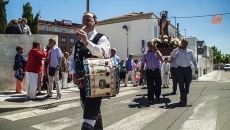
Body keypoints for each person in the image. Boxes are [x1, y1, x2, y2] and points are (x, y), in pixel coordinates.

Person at [69, 12, 110, 130]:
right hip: (83, 82)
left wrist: (87, 42)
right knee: (91, 109)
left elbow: (103, 54)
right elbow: (72, 60)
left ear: (95, 23)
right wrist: (74, 72)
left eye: (89, 20)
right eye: (83, 20)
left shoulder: (101, 38)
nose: (85, 22)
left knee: (89, 112)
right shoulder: (77, 43)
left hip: (99, 80)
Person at [170, 39, 198, 105]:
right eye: (183, 44)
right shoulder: (178, 51)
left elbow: (194, 60)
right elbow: (172, 55)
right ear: (181, 44)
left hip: (188, 69)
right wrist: (177, 48)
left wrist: (196, 68)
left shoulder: (190, 52)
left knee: (188, 83)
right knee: (181, 85)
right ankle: (183, 99)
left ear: (187, 44)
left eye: (185, 44)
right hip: (180, 69)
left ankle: (184, 95)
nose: (184, 45)